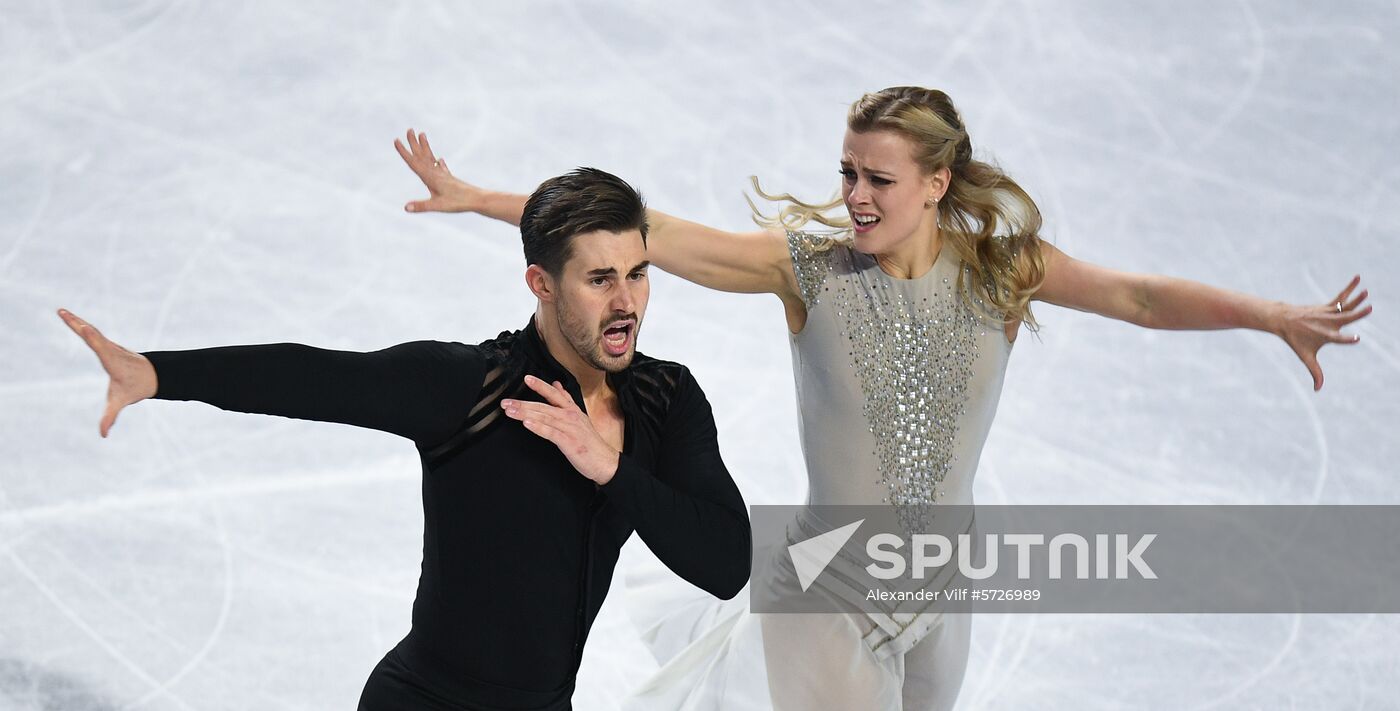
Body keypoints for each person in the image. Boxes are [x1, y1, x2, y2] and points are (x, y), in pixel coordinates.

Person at [393, 87, 1372, 710]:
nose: (855, 195)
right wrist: (486, 199)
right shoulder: (806, 272)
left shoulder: (1003, 269)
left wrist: (1270, 312)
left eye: (879, 177)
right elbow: (645, 231)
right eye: (846, 173)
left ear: (937, 182)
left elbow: (1140, 298)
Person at [57, 167, 753, 711]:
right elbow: (316, 376)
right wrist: (157, 372)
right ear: (542, 283)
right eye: (600, 279)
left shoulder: (665, 398)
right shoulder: (474, 389)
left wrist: (609, 466)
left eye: (637, 274)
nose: (627, 302)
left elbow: (726, 564)